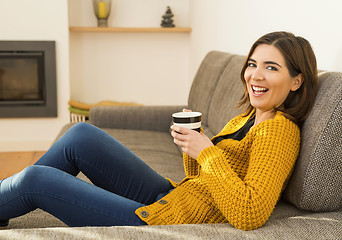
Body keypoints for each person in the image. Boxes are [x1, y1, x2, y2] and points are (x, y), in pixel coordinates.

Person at [0, 31, 318, 231]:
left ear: (296, 81)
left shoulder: (279, 132)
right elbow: (204, 180)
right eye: (252, 64)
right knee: (80, 136)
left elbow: (250, 212)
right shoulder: (247, 117)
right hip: (172, 195)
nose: (255, 75)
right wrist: (189, 148)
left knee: (35, 180)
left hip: (160, 218)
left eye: (271, 68)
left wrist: (206, 151)